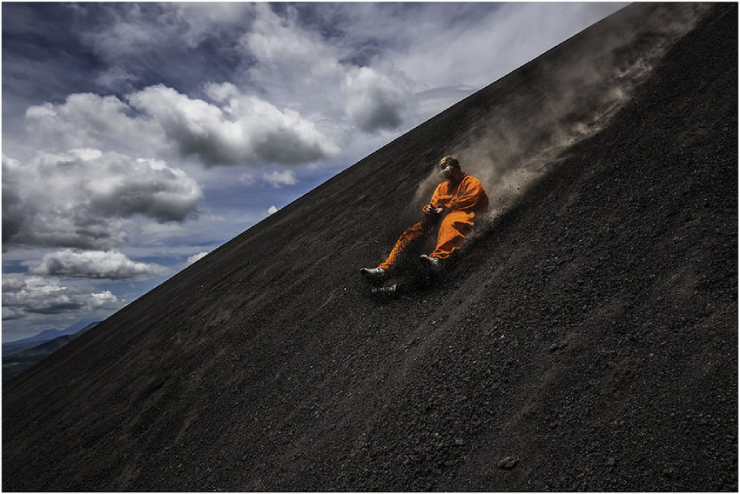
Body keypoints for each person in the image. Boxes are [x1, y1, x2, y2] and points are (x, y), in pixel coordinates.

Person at [361, 155, 489, 281]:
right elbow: (434, 204)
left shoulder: (471, 182)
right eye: (444, 174)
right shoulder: (442, 188)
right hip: (445, 217)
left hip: (468, 214)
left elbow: (470, 201)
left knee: (449, 222)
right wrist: (429, 210)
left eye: (449, 172)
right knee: (412, 231)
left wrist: (445, 208)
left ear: (458, 168)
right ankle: (384, 269)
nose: (448, 177)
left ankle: (438, 259)